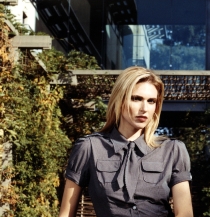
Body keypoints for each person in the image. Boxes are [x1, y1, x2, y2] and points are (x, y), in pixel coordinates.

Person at [59, 67, 193, 217]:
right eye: (136, 98)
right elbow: (66, 213)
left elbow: (185, 214)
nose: (144, 108)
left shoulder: (173, 150)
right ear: (120, 100)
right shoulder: (89, 147)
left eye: (151, 101)